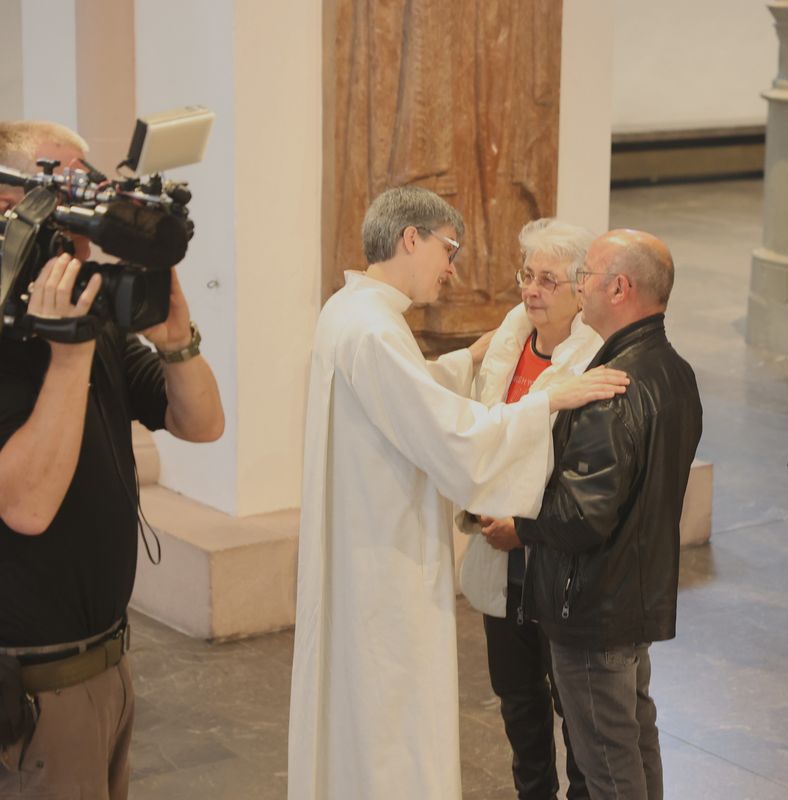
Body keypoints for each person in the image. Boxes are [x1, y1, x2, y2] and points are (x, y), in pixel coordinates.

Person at [287, 186, 628, 800]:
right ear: (409, 239)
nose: (452, 267)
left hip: (367, 543)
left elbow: (403, 399)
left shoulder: (351, 311)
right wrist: (546, 400)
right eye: (448, 249)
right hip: (382, 559)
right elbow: (448, 435)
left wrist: (461, 361)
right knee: (390, 715)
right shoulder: (375, 331)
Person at [0, 121, 225, 799]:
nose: (82, 214)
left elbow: (202, 423)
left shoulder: (93, 322)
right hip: (34, 688)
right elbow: (26, 506)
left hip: (107, 666)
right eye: (57, 188)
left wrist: (177, 339)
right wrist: (67, 356)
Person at [515, 230, 703, 800]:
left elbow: (580, 517)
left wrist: (520, 514)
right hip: (633, 593)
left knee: (608, 765)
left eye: (586, 276)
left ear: (619, 287)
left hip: (594, 603)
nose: (578, 286)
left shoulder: (613, 388)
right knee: (636, 740)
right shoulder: (673, 368)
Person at [457, 217, 602, 800]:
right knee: (518, 698)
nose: (531, 290)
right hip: (501, 552)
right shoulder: (509, 338)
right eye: (527, 275)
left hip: (556, 557)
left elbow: (583, 472)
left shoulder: (594, 359)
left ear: (579, 289)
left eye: (548, 279)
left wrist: (527, 527)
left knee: (574, 704)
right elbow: (479, 427)